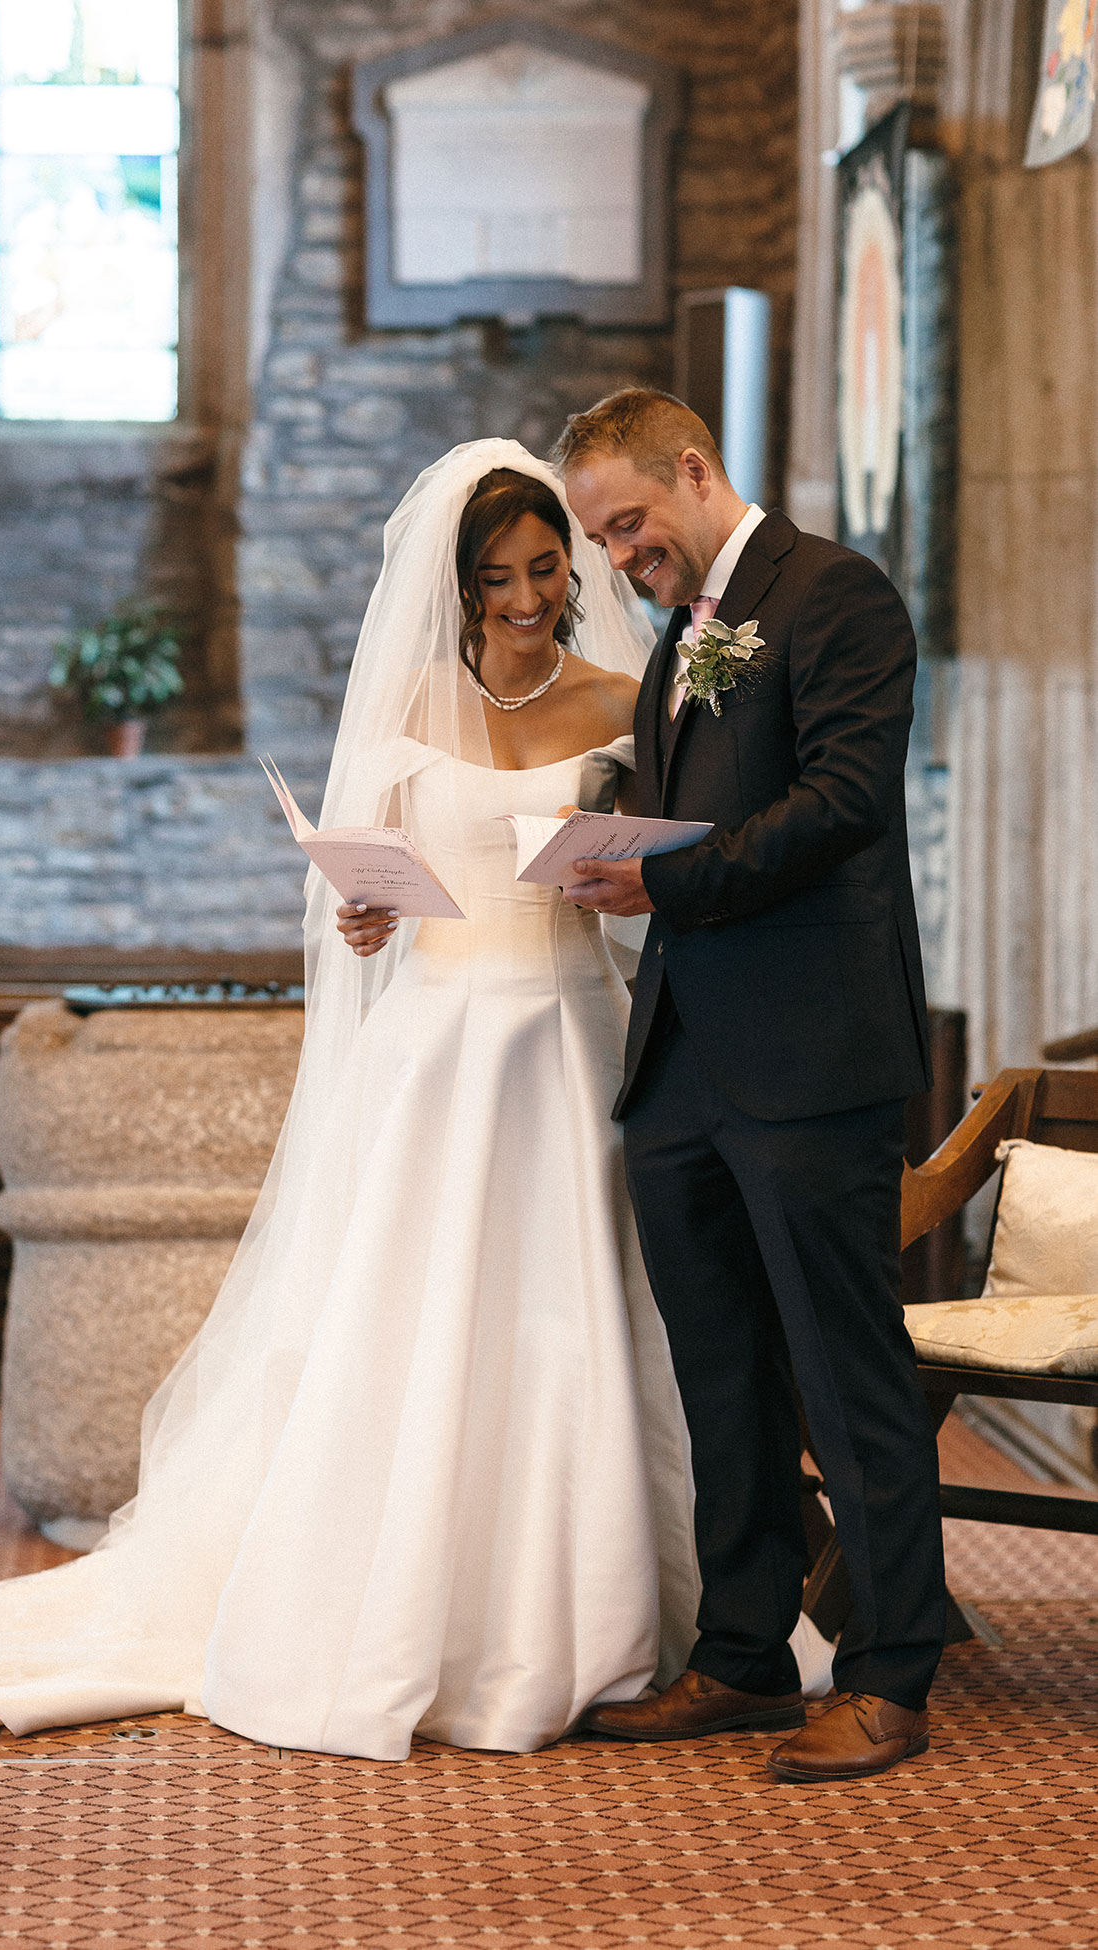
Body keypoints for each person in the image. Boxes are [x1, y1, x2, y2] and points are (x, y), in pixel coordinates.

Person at [0, 439, 762, 1762]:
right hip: (436, 1047)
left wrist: (627, 877)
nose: (529, 597)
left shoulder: (625, 696)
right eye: (499, 578)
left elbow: (663, 873)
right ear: (460, 587)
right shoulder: (410, 702)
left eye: (548, 568)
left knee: (569, 1311)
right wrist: (366, 912)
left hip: (566, 1036)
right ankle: (405, 1607)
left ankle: (590, 1616)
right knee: (420, 1319)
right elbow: (363, 887)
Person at [556, 389, 945, 1784]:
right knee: (720, 1370)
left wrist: (664, 878)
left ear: (692, 468)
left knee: (845, 1368)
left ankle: (890, 1672)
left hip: (811, 1053)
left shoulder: (836, 594)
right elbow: (701, 802)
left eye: (627, 525)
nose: (619, 558)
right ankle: (743, 1654)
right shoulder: (681, 636)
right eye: (604, 540)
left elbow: (845, 801)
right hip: (683, 1060)